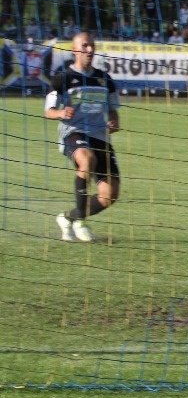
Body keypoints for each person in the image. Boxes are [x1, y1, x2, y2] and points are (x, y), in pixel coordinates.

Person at [44, 32, 121, 242]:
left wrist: (114, 121)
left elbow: (113, 109)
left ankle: (69, 218)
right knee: (86, 159)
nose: (89, 49)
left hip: (100, 137)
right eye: (85, 46)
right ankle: (81, 223)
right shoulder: (63, 78)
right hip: (74, 133)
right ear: (74, 50)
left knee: (109, 196)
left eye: (92, 46)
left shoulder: (105, 79)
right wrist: (60, 113)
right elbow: (48, 110)